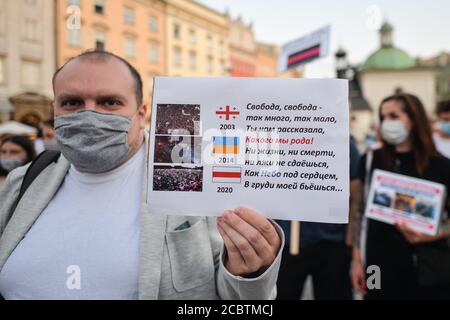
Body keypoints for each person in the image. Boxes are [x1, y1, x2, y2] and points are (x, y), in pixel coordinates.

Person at [0, 50, 284, 300]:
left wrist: (247, 271)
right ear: (55, 109)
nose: (89, 115)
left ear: (142, 113)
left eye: (109, 102)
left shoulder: (193, 177)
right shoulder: (24, 182)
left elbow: (236, 299)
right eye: (72, 102)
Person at [351, 93, 450, 300]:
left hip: (427, 268)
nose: (387, 123)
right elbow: (359, 212)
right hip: (377, 264)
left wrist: (434, 234)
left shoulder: (441, 165)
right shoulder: (370, 159)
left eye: (394, 116)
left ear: (414, 118)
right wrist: (358, 259)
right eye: (383, 117)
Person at [276, 136, 360, 300]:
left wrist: (349, 241)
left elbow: (356, 196)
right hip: (288, 243)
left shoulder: (344, 145)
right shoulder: (281, 142)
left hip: (333, 244)